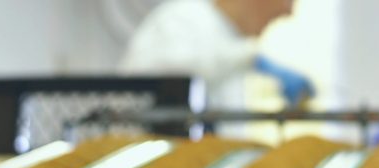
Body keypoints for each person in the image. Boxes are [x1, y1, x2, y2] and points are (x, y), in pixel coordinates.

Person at [120, 0, 314, 111]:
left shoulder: (230, 38)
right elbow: (157, 77)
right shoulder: (184, 18)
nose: (289, 11)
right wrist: (250, 59)